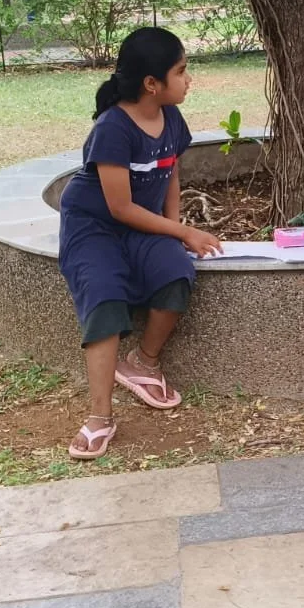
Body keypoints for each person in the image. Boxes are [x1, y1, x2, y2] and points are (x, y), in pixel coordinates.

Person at [57, 27, 222, 459]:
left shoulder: (172, 118)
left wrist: (174, 229)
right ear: (152, 84)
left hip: (142, 224)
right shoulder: (112, 127)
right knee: (105, 299)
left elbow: (170, 172)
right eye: (182, 71)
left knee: (176, 274)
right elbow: (120, 208)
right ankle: (99, 419)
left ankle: (143, 363)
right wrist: (185, 232)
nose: (189, 80)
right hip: (95, 226)